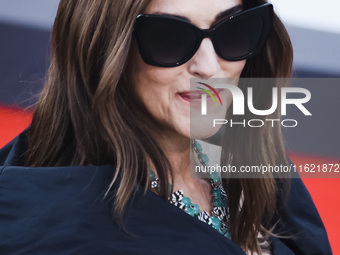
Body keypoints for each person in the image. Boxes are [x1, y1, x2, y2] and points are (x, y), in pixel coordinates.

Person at [0, 0, 332, 254]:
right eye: (170, 38)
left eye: (234, 30)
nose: (209, 66)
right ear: (105, 48)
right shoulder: (61, 225)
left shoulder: (249, 157)